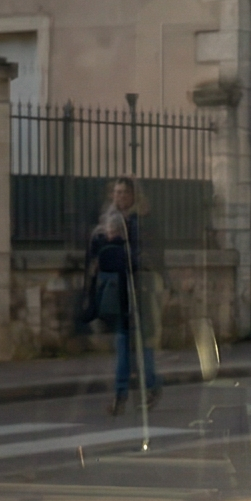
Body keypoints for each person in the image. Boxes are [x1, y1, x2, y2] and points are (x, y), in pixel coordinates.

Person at [88, 176, 158, 417]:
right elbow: (96, 254)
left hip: (138, 288)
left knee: (142, 342)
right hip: (116, 289)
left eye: (123, 193)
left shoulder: (141, 221)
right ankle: (120, 394)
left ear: (133, 196)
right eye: (116, 192)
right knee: (121, 342)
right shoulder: (107, 220)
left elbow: (149, 254)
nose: (119, 197)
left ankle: (150, 385)